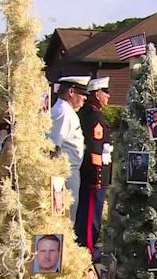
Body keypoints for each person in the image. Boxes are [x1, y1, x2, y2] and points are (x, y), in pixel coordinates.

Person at [75, 77, 113, 261]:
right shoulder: (95, 116)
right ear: (97, 94)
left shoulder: (88, 112)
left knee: (88, 210)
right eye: (106, 93)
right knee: (91, 212)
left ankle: (86, 243)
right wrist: (98, 177)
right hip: (94, 173)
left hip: (90, 171)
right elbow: (95, 147)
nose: (108, 97)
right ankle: (88, 247)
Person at [49, 75, 90, 223]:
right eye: (82, 94)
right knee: (64, 217)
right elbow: (53, 146)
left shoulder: (67, 112)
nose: (84, 98)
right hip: (64, 173)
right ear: (71, 92)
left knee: (68, 215)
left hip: (69, 171)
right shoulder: (62, 113)